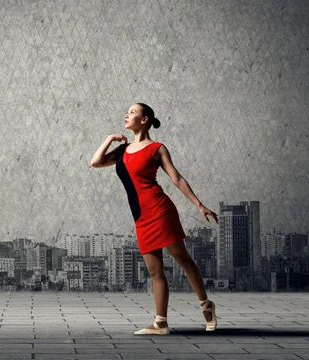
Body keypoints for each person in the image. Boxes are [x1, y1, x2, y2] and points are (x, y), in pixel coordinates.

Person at [89, 103, 219, 335]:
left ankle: (206, 306)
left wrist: (199, 205)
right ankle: (161, 324)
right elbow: (95, 162)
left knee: (182, 259)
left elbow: (177, 178)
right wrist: (110, 138)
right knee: (155, 271)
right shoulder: (123, 150)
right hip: (141, 217)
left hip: (160, 210)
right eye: (126, 111)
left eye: (132, 112)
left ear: (145, 119)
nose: (126, 114)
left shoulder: (157, 148)